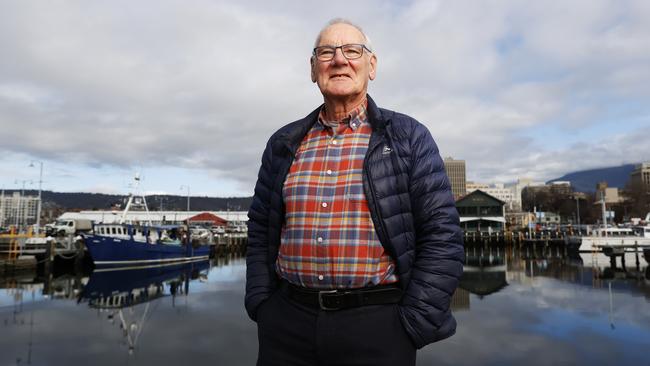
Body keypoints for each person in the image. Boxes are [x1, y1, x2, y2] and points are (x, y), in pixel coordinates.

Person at [246, 18, 464, 366]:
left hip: (379, 327)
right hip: (287, 325)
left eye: (352, 50)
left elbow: (443, 235)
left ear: (371, 65)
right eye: (327, 52)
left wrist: (412, 323)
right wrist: (262, 303)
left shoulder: (408, 137)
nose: (339, 59)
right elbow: (259, 226)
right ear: (313, 68)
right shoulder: (283, 143)